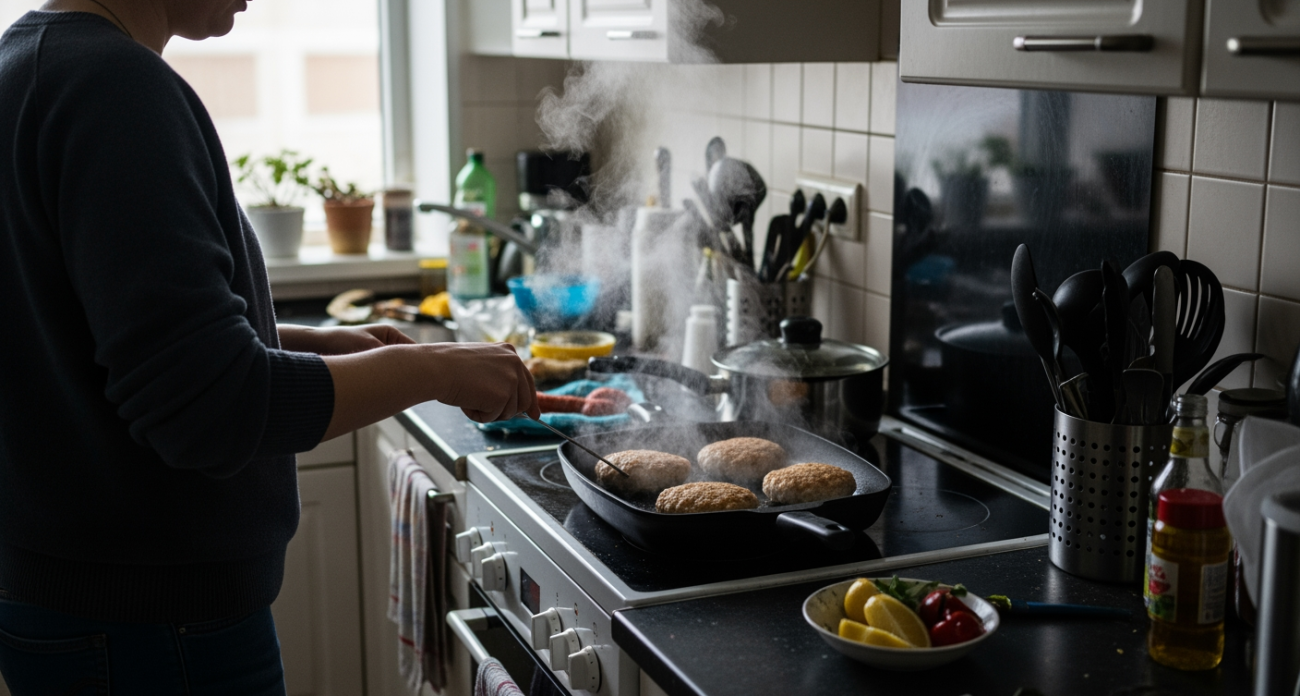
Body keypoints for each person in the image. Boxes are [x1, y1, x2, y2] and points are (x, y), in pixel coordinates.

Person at [0, 1, 539, 693]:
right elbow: (211, 407)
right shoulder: (114, 87)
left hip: (82, 604)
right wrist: (429, 367)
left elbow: (101, 343)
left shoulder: (29, 63)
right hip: (154, 629)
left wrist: (320, 345)